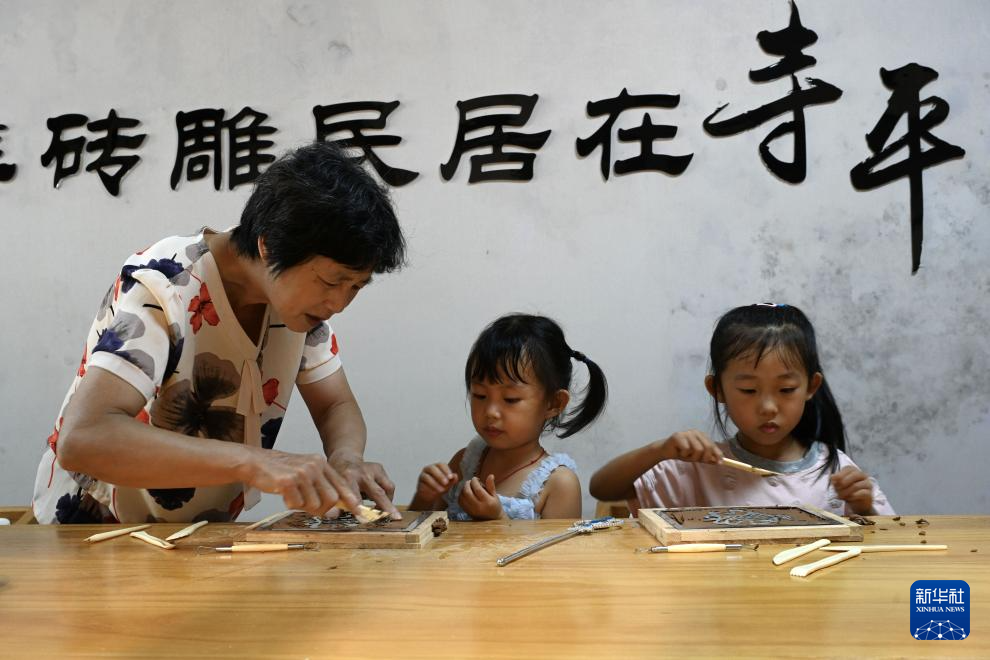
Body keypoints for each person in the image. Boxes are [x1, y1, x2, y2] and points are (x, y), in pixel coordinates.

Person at [33, 141, 407, 524]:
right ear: (269, 246)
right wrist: (255, 462)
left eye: (355, 286)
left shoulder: (299, 307)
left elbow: (334, 404)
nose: (340, 302)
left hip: (195, 535)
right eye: (331, 281)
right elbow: (84, 438)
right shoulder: (166, 283)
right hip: (92, 531)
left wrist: (346, 458)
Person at [589, 303, 894, 516]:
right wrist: (660, 449)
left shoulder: (834, 469)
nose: (768, 407)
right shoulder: (700, 469)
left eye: (786, 389)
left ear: (811, 387)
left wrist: (864, 507)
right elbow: (603, 488)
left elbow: (888, 542)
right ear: (717, 389)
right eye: (749, 390)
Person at [409, 314, 608, 520]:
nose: (490, 412)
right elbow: (417, 531)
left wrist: (497, 519)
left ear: (553, 403)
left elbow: (558, 543)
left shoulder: (558, 484)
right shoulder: (464, 463)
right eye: (480, 395)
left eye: (510, 399)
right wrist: (424, 498)